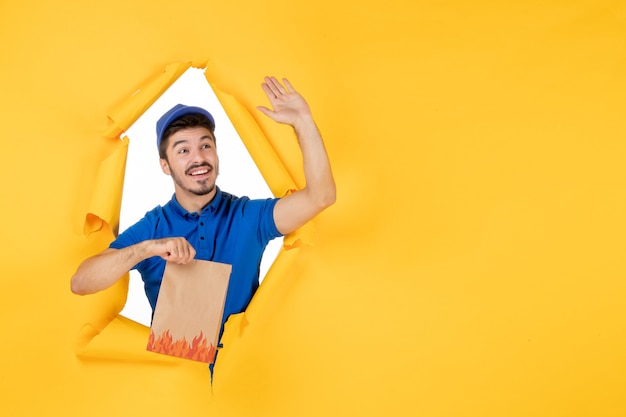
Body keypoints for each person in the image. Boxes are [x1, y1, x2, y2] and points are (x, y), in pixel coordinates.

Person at [71, 76, 336, 338]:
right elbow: (81, 283)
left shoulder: (248, 217)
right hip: (176, 377)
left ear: (217, 154)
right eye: (183, 150)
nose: (199, 158)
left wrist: (303, 123)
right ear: (165, 165)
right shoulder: (153, 227)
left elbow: (320, 197)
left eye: (205, 145)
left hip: (245, 373)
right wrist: (147, 249)